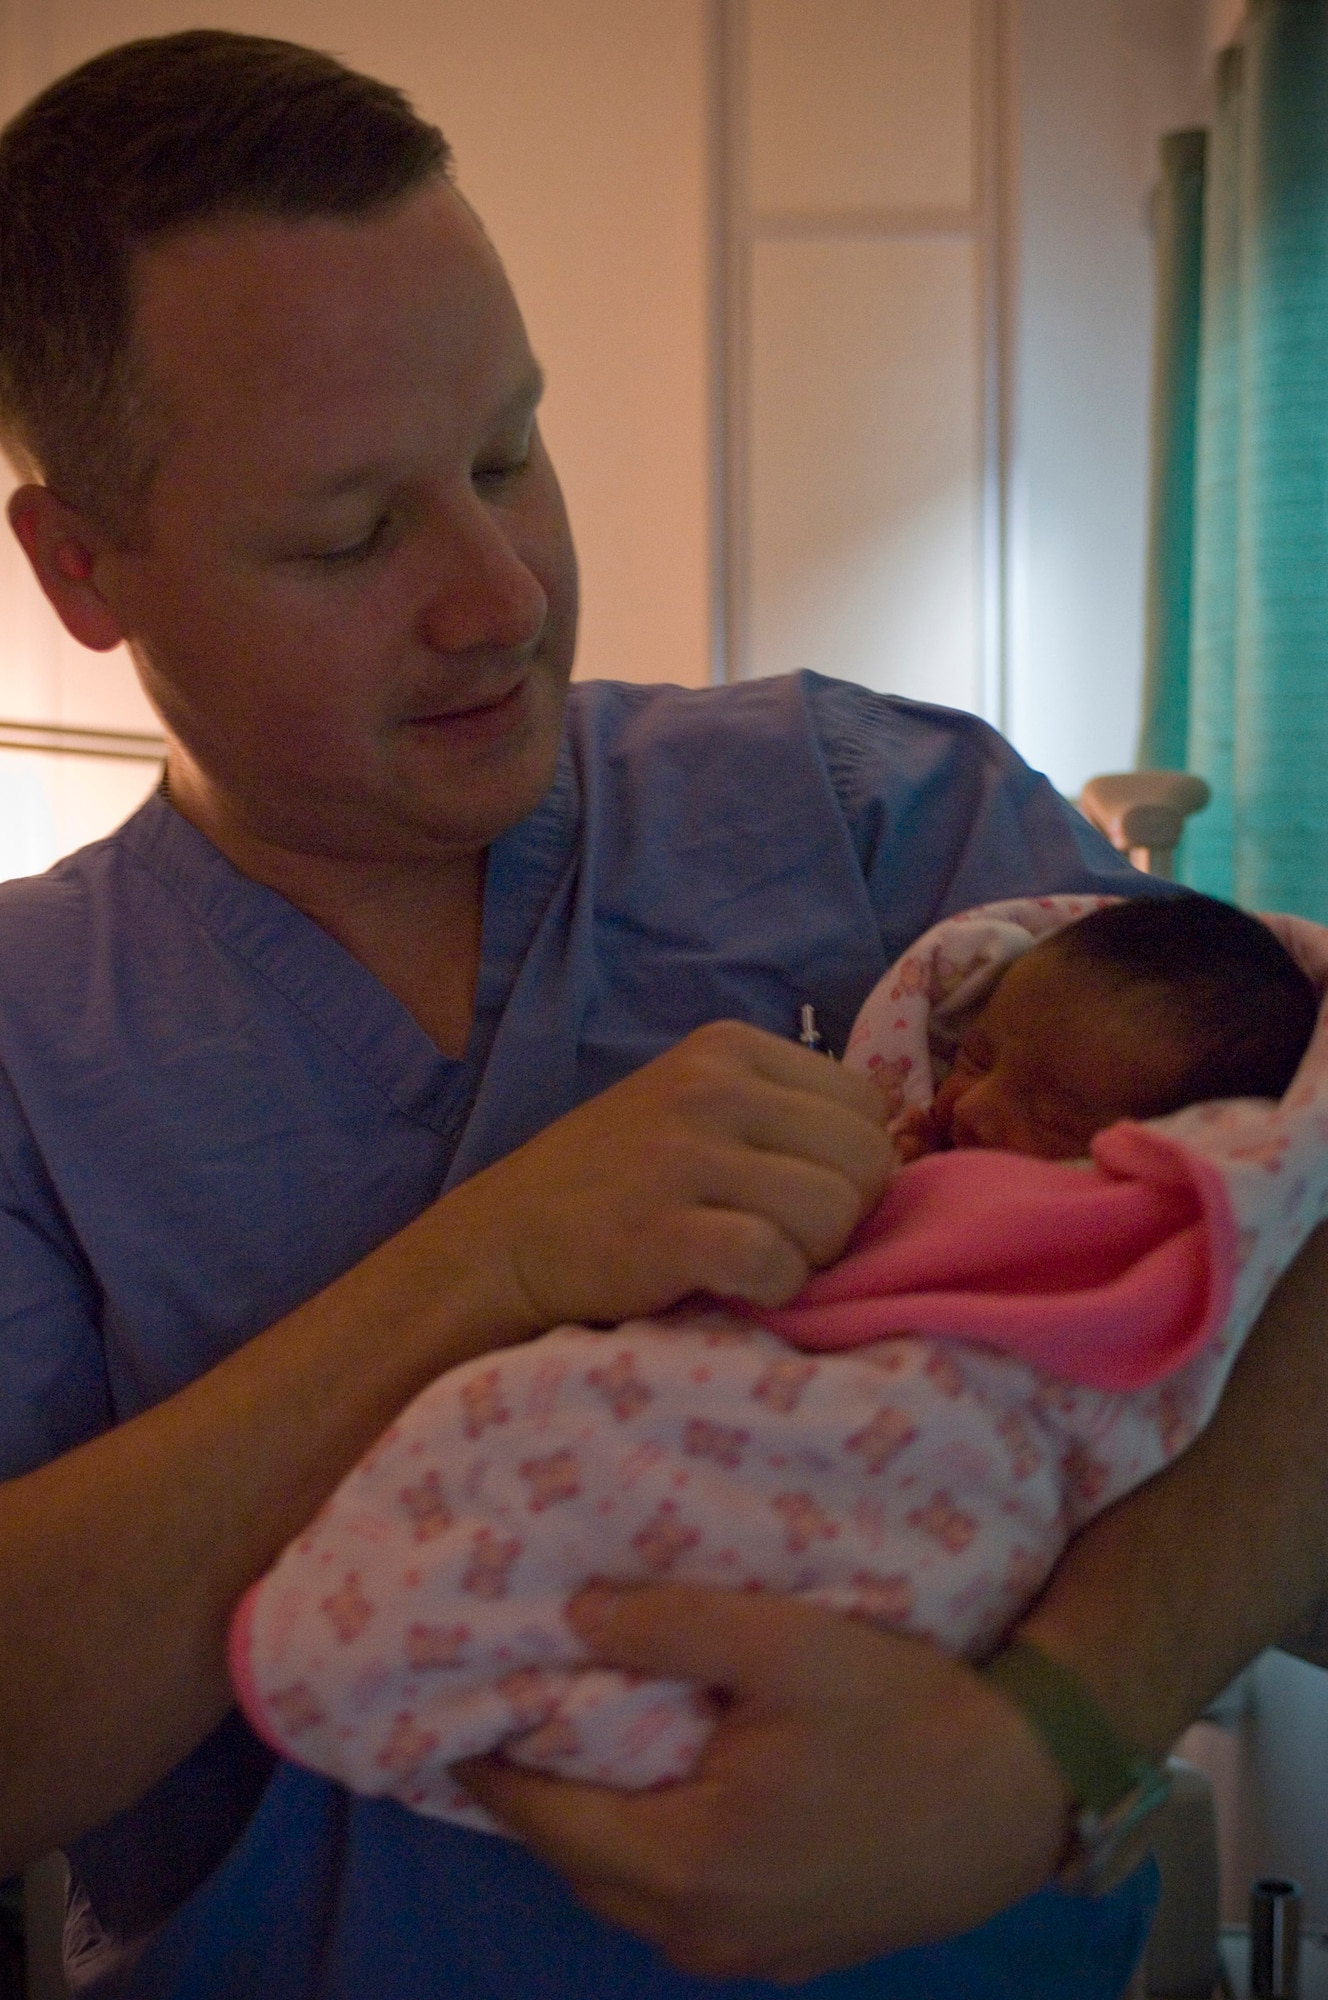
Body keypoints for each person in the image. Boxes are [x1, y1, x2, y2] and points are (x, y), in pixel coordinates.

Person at [0, 27, 1326, 2000]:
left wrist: (1054, 1729)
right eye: (353, 533)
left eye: (510, 452)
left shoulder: (873, 814)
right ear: (83, 573)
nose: (498, 595)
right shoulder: (34, 1042)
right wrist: (486, 1264)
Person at [227, 890, 1327, 1823]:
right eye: (978, 1054)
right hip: (734, 1392)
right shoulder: (919, 1138)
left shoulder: (1143, 1227)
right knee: (515, 1415)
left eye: (1049, 1112)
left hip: (935, 1456)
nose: (976, 1106)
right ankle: (402, 1636)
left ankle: (516, 1688)